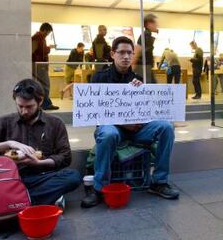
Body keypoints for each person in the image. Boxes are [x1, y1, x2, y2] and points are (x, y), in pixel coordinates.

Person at [81, 37, 179, 208]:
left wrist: (142, 95)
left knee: (166, 127)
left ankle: (159, 182)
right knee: (108, 133)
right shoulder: (99, 77)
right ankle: (99, 188)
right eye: (121, 52)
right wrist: (123, 123)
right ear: (113, 54)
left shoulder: (137, 78)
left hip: (137, 129)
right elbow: (96, 113)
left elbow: (146, 108)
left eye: (129, 53)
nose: (126, 56)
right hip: (113, 128)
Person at [0, 79, 81, 206]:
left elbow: (65, 157)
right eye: (20, 106)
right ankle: (36, 200)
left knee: (73, 176)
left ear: (40, 102)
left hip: (42, 177)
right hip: (10, 177)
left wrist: (39, 162)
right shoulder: (5, 121)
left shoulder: (55, 123)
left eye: (29, 107)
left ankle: (16, 202)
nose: (24, 111)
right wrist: (9, 143)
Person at [32, 22, 59, 110]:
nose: (48, 35)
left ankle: (45, 103)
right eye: (48, 32)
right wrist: (49, 48)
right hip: (39, 65)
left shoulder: (38, 37)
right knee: (45, 84)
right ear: (45, 30)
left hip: (38, 65)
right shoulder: (39, 37)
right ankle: (46, 104)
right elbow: (40, 51)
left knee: (42, 85)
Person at [133, 14, 158, 83]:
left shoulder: (148, 35)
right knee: (152, 89)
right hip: (143, 68)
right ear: (148, 24)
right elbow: (137, 50)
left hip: (145, 68)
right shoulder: (145, 35)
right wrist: (132, 67)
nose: (156, 25)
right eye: (155, 23)